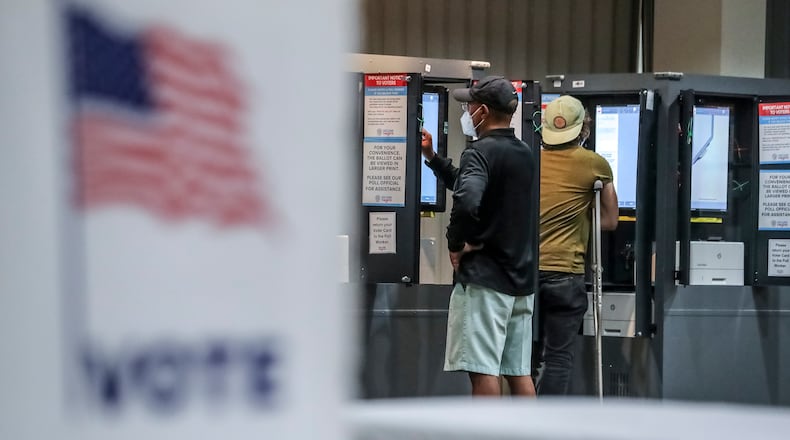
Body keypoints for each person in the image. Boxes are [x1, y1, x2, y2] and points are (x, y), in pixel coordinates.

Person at [420, 76, 537, 397]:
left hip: (486, 280)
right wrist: (433, 158)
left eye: (469, 105)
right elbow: (471, 185)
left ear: (483, 111)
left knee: (484, 371)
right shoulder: (524, 152)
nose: (466, 111)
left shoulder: (479, 152)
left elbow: (468, 199)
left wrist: (455, 244)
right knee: (518, 372)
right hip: (520, 280)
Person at [536, 94, 618, 395]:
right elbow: (609, 220)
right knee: (557, 357)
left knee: (525, 358)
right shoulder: (594, 163)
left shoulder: (531, 158)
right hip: (565, 274)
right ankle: (548, 425)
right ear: (583, 127)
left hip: (525, 273)